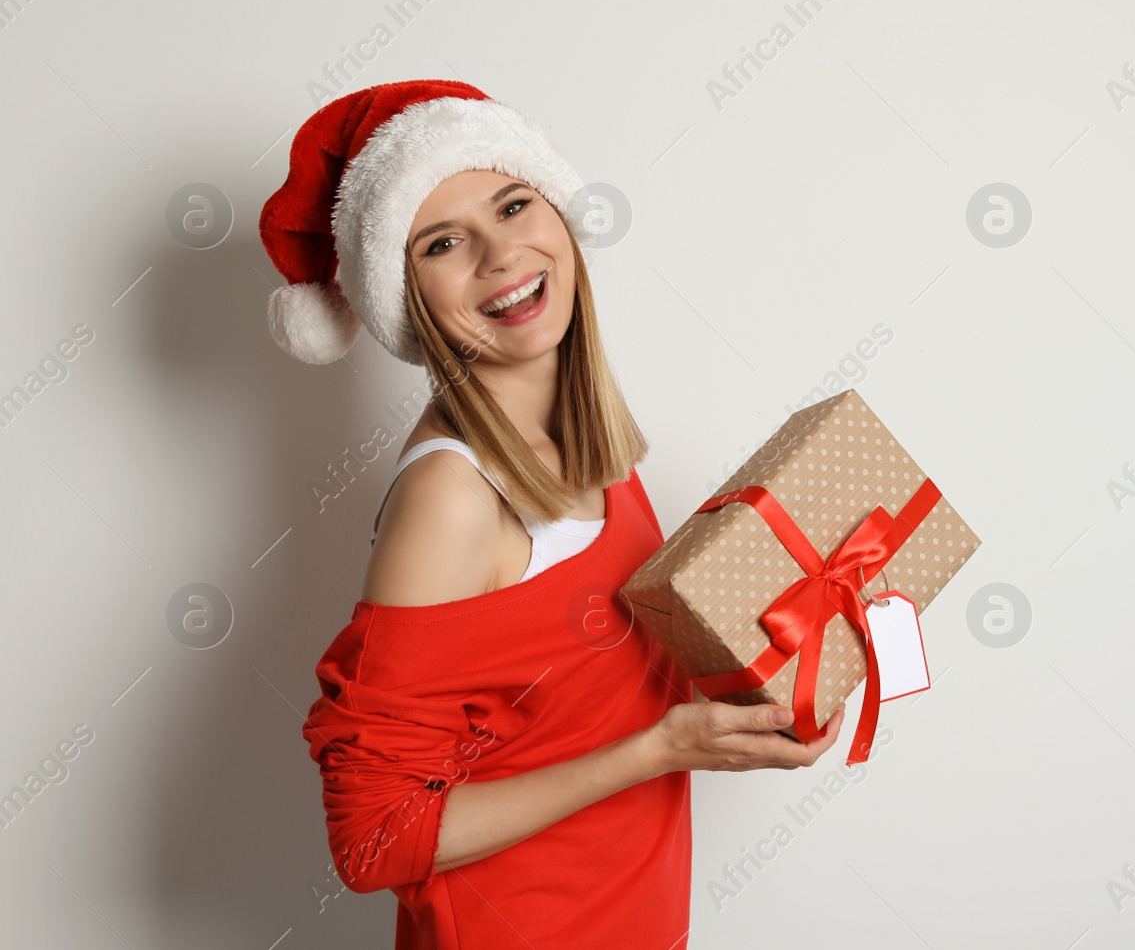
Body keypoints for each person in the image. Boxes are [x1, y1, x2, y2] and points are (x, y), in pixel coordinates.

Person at [258, 79, 842, 949]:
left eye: (514, 203)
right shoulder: (453, 496)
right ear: (404, 296)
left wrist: (786, 671)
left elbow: (585, 689)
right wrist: (659, 749)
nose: (500, 254)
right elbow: (372, 837)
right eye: (445, 242)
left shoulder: (587, 443)